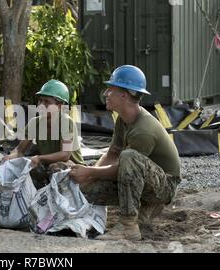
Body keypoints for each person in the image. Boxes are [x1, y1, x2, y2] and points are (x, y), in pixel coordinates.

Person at [69, 65, 181, 241]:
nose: (106, 94)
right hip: (141, 177)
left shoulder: (144, 130)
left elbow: (123, 167)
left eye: (111, 89)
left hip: (164, 185)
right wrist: (89, 177)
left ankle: (129, 226)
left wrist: (89, 171)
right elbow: (112, 153)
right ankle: (145, 207)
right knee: (85, 190)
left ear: (124, 95)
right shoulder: (124, 119)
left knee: (128, 157)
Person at [4, 80, 84, 187]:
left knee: (56, 168)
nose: (41, 105)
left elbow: (65, 154)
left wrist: (40, 158)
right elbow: (20, 150)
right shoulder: (35, 122)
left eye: (47, 102)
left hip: (73, 168)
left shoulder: (66, 122)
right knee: (26, 166)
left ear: (59, 105)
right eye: (40, 101)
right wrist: (10, 158)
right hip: (47, 165)